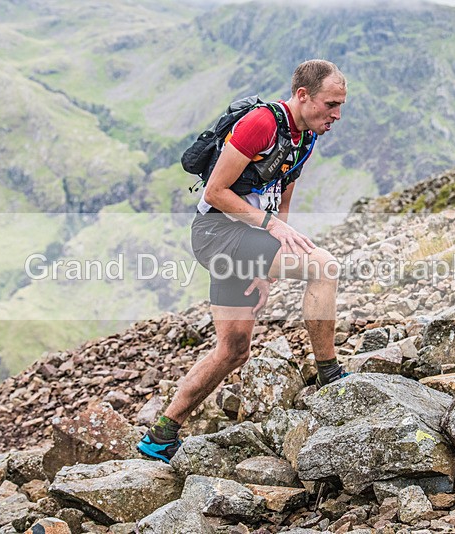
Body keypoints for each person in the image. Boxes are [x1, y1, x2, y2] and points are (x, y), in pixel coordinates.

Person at [138, 59, 348, 463]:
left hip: (244, 240)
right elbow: (215, 192)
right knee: (323, 266)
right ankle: (331, 376)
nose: (336, 115)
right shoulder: (260, 124)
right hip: (216, 233)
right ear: (303, 95)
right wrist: (270, 228)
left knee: (233, 349)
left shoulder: (306, 137)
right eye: (330, 104)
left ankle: (161, 435)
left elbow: (282, 201)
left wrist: (265, 265)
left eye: (340, 105)